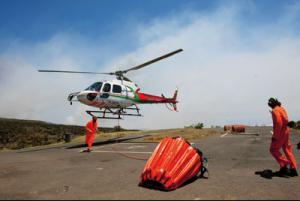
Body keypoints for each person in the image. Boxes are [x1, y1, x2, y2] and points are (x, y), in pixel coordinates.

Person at [268, 98, 298, 177]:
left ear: (272, 104)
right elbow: (285, 121)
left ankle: (286, 164)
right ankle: (293, 169)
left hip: (280, 132)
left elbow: (278, 123)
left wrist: (275, 136)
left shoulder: (275, 110)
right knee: (287, 150)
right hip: (286, 131)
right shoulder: (282, 109)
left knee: (273, 149)